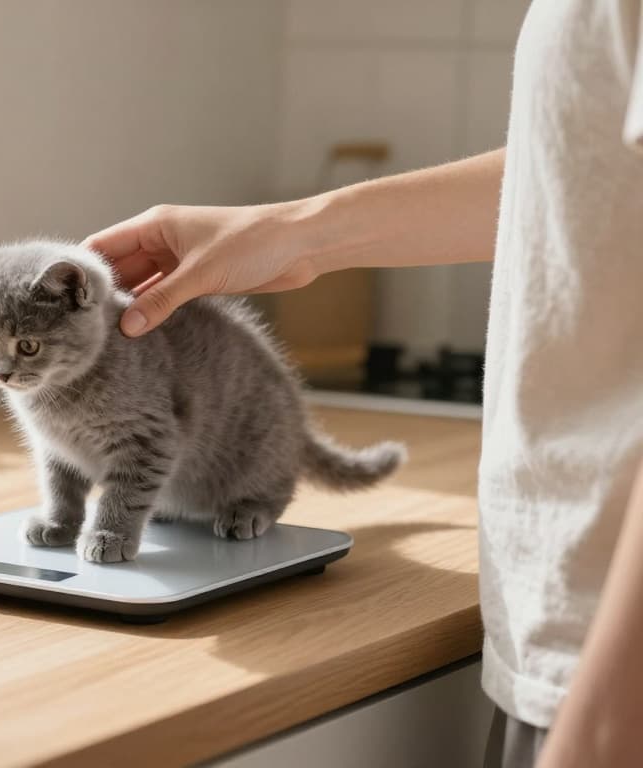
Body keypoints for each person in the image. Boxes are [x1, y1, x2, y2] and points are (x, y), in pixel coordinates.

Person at [82, 3, 643, 766]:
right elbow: (581, 170)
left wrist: (602, 733)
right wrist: (297, 230)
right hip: (570, 644)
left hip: (610, 676)